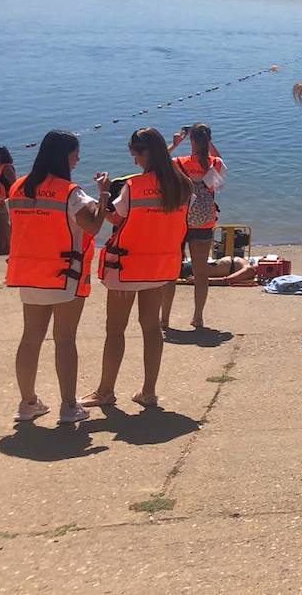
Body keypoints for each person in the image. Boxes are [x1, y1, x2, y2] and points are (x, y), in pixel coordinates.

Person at [82, 128, 190, 410]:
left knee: (115, 330)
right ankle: (149, 391)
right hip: (160, 267)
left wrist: (103, 194)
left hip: (127, 267)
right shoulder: (182, 184)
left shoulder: (134, 187)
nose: (134, 162)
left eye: (136, 156)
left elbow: (115, 219)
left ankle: (105, 391)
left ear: (146, 154)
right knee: (151, 327)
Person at [5, 130, 110, 424]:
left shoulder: (18, 188)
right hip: (64, 275)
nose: (78, 159)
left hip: (28, 274)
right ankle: (68, 407)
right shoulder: (70, 192)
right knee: (64, 341)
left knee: (30, 339)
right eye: (76, 153)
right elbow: (92, 226)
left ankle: (27, 403)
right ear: (65, 155)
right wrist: (103, 195)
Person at [161, 123, 227, 330]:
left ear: (191, 141)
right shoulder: (215, 163)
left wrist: (174, 144)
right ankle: (198, 317)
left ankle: (164, 319)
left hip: (180, 221)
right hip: (204, 223)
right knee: (201, 273)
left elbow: (157, 163)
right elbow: (218, 182)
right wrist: (210, 146)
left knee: (171, 271)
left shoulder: (178, 162)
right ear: (208, 140)